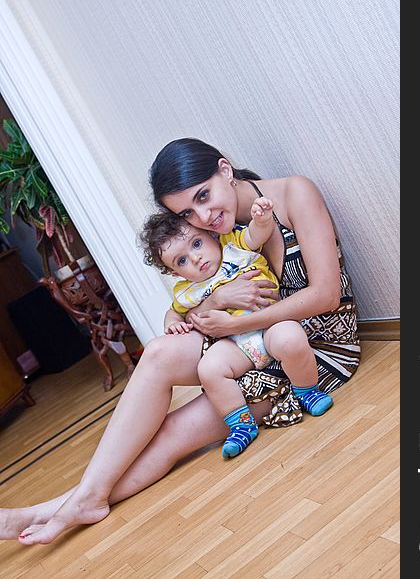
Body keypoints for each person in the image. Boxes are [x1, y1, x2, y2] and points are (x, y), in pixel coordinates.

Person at [0, 137, 360, 545]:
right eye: (188, 211)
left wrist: (230, 320)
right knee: (156, 353)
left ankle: (63, 508)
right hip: (248, 342)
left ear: (225, 169)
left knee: (172, 432)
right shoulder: (209, 236)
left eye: (203, 196)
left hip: (312, 352)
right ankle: (80, 500)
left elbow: (326, 295)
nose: (204, 215)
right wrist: (218, 301)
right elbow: (192, 303)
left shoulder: (293, 193)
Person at [140, 200, 333, 458]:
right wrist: (172, 323)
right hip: (236, 345)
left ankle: (307, 390)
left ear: (209, 235)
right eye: (182, 260)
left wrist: (262, 219)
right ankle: (241, 425)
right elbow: (175, 310)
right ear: (175, 273)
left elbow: (256, 235)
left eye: (196, 244)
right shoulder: (186, 290)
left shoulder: (232, 245)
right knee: (208, 368)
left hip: (269, 325)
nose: (195, 258)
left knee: (291, 338)